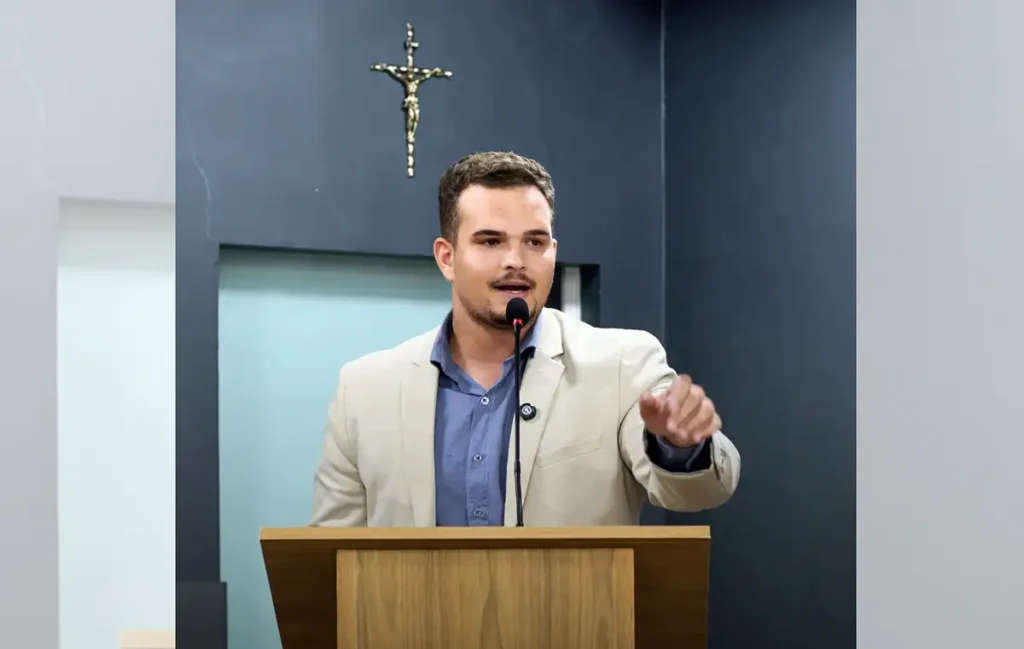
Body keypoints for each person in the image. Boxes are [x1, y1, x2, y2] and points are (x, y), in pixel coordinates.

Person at [310, 151, 740, 527]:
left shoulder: (624, 364)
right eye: (490, 241)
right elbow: (330, 555)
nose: (515, 261)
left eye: (535, 242)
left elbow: (700, 492)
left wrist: (677, 446)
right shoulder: (364, 389)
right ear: (447, 258)